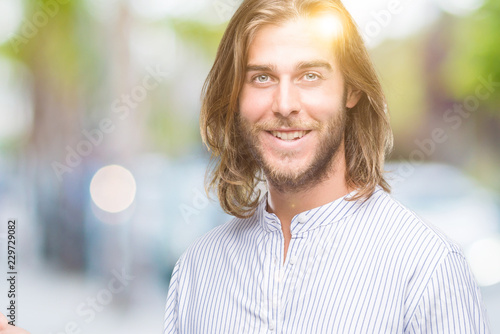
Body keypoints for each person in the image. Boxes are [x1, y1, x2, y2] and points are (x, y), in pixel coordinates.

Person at [163, 0, 491, 333]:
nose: (285, 105)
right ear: (235, 96)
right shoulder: (197, 270)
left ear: (352, 90)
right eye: (262, 77)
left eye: (310, 76)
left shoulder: (427, 269)